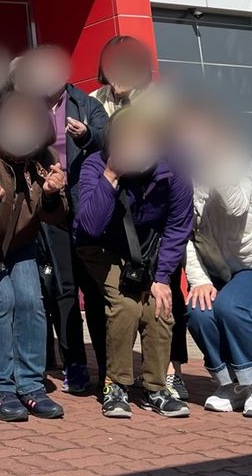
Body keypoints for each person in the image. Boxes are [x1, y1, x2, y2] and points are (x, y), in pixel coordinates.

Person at [74, 107, 193, 420]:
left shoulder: (174, 171)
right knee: (126, 306)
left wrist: (163, 278)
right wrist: (111, 175)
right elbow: (89, 226)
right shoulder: (94, 165)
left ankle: (156, 387)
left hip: (146, 252)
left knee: (159, 307)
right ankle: (116, 385)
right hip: (101, 248)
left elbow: (178, 226)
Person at [0, 92, 69, 422]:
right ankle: (0, 388)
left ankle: (31, 385)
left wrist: (51, 195)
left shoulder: (45, 157)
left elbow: (57, 215)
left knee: (31, 302)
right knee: (1, 301)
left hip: (21, 245)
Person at [90, 36, 190, 402]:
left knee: (165, 295)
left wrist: (128, 101)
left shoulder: (160, 98)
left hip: (155, 207)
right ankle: (115, 378)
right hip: (118, 207)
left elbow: (163, 141)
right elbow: (100, 146)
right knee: (123, 303)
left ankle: (170, 372)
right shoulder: (95, 100)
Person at [173, 100, 252, 419]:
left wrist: (213, 161)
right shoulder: (179, 175)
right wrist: (199, 280)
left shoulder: (235, 158)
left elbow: (236, 207)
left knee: (231, 307)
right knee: (198, 313)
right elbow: (183, 235)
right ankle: (231, 385)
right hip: (218, 274)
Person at [11, 45, 109, 395]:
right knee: (63, 290)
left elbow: (109, 137)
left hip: (87, 206)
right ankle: (75, 366)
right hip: (50, 206)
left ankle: (107, 367)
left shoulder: (86, 104)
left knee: (95, 289)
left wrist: (87, 135)